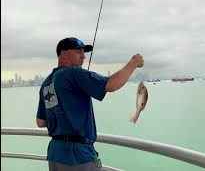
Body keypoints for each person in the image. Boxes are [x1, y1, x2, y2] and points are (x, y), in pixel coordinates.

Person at [36, 37, 144, 171]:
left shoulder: (47, 83)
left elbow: (40, 122)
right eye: (78, 52)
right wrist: (133, 63)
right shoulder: (73, 73)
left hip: (55, 154)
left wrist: (64, 117)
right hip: (78, 156)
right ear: (63, 53)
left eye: (84, 53)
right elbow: (111, 84)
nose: (83, 57)